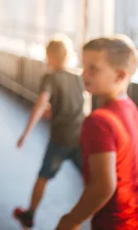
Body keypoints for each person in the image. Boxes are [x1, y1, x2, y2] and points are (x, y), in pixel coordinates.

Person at [56, 35, 138, 230]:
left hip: (113, 223)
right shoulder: (130, 109)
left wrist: (70, 220)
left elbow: (103, 186)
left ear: (120, 75)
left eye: (93, 69)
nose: (84, 75)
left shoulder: (99, 121)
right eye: (84, 66)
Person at [14, 35, 86, 228]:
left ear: (51, 57)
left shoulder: (50, 78)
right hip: (80, 136)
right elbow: (78, 105)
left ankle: (29, 214)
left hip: (60, 139)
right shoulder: (78, 76)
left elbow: (40, 105)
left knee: (43, 176)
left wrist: (25, 134)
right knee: (92, 178)